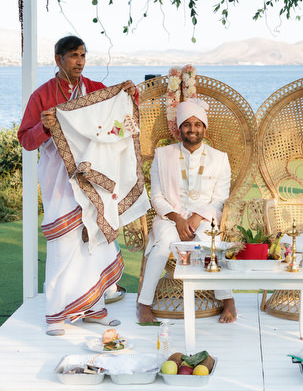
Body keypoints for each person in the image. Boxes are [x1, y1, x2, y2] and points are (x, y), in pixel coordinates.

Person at [18, 35, 137, 336]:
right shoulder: (42, 96)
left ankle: (94, 308)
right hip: (59, 182)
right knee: (63, 245)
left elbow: (116, 114)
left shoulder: (94, 90)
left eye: (83, 55)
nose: (80, 61)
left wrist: (128, 94)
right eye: (73, 56)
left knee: (93, 240)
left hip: (92, 180)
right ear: (58, 59)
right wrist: (44, 126)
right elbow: (26, 139)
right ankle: (56, 314)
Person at [136, 98, 237, 324]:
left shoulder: (219, 159)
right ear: (180, 128)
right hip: (169, 218)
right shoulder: (162, 155)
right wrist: (178, 219)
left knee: (210, 242)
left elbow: (220, 198)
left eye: (197, 124)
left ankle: (228, 301)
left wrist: (196, 217)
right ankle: (143, 304)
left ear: (204, 127)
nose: (192, 129)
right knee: (163, 244)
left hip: (205, 218)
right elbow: (157, 197)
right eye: (187, 124)